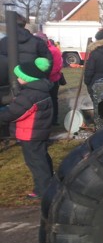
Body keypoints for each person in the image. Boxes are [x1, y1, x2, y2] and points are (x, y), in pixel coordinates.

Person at [0, 57, 54, 199]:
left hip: (30, 134)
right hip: (39, 131)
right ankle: (48, 184)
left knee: (36, 162)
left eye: (20, 76)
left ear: (28, 78)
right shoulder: (41, 89)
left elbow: (15, 112)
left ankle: (43, 190)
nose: (17, 79)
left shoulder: (29, 94)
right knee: (42, 158)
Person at [35, 33, 65, 126]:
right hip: (40, 79)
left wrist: (45, 75)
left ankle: (54, 119)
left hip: (52, 79)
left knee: (53, 99)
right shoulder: (35, 49)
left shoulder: (54, 50)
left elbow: (57, 66)